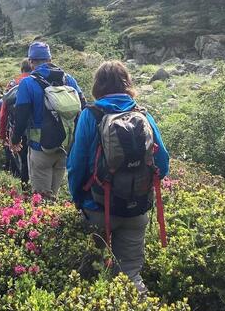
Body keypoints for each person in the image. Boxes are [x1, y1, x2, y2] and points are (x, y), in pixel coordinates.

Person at [67, 60, 169, 296]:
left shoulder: (90, 115)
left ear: (98, 86)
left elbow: (76, 165)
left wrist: (80, 201)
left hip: (98, 207)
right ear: (127, 84)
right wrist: (137, 186)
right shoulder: (142, 114)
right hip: (136, 210)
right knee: (131, 274)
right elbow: (162, 163)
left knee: (94, 274)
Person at [10, 42, 84, 199]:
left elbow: (21, 117)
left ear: (31, 61)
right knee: (53, 196)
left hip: (40, 148)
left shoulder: (27, 83)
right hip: (65, 146)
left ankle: (47, 223)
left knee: (42, 200)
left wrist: (15, 140)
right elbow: (83, 107)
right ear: (50, 58)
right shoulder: (69, 80)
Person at [0, 60, 31, 182]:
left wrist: (2, 134)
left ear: (21, 69)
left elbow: (3, 112)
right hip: (39, 130)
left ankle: (25, 192)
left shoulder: (13, 84)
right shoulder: (40, 81)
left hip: (17, 130)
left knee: (23, 162)